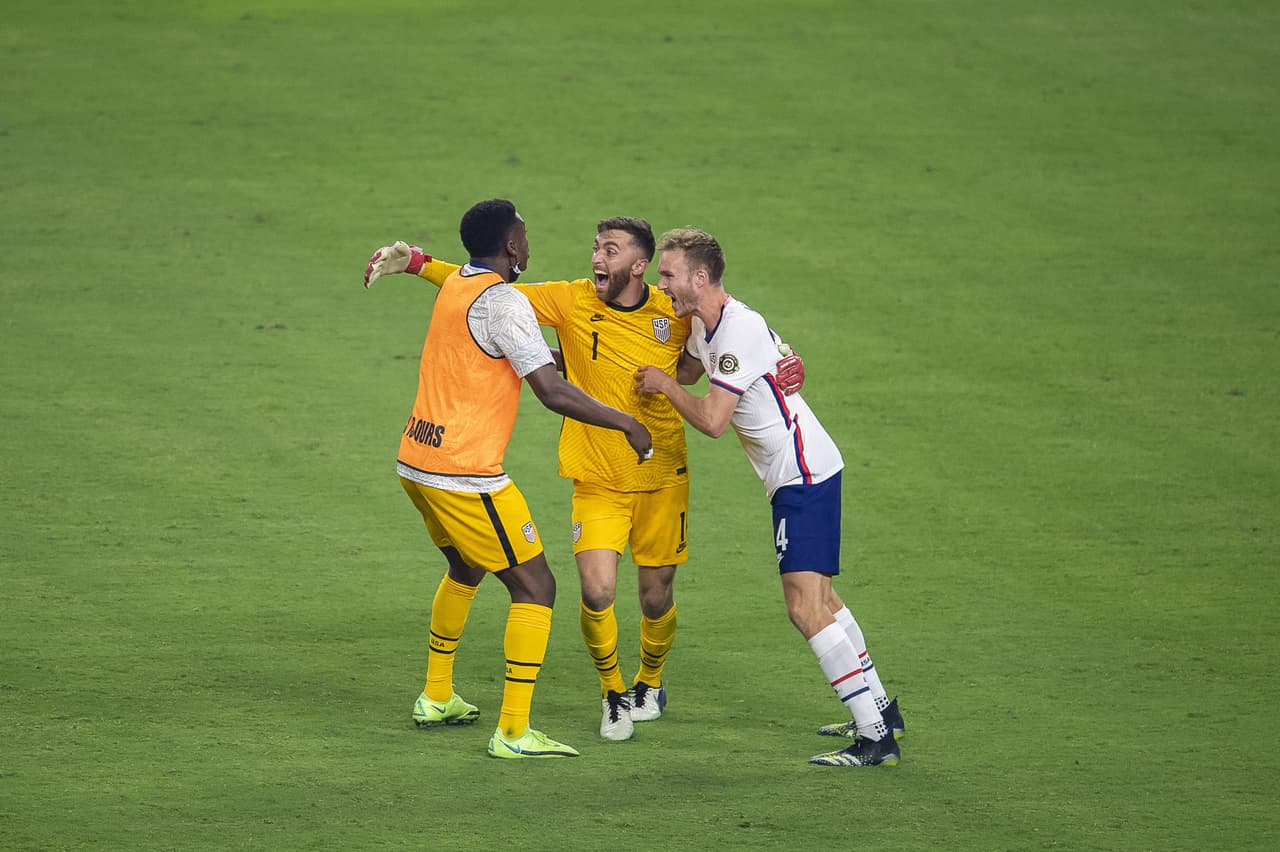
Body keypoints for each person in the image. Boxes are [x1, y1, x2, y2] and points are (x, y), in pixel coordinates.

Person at [365, 218, 805, 742]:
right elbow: (492, 290)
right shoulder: (571, 300)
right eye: (596, 246)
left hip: (662, 471)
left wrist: (784, 358)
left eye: (610, 249)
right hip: (596, 475)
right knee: (595, 593)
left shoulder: (673, 308)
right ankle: (613, 694)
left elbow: (734, 324)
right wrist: (420, 264)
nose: (596, 256)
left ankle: (649, 682)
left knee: (655, 598)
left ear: (639, 266)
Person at [364, 199, 653, 760]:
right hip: (465, 474)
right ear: (510, 246)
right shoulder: (505, 302)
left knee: (466, 564)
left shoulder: (462, 285)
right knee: (536, 586)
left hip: (415, 460)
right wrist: (625, 423)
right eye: (524, 235)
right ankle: (514, 732)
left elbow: (498, 350)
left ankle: (437, 695)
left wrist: (421, 261)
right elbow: (550, 392)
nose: (529, 243)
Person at [634, 228, 905, 766]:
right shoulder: (704, 326)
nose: (658, 282)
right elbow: (690, 364)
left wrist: (666, 389)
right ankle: (877, 707)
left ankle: (875, 738)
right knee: (824, 600)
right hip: (806, 469)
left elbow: (712, 420)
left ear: (701, 277)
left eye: (667, 275)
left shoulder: (738, 328)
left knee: (804, 606)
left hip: (802, 475)